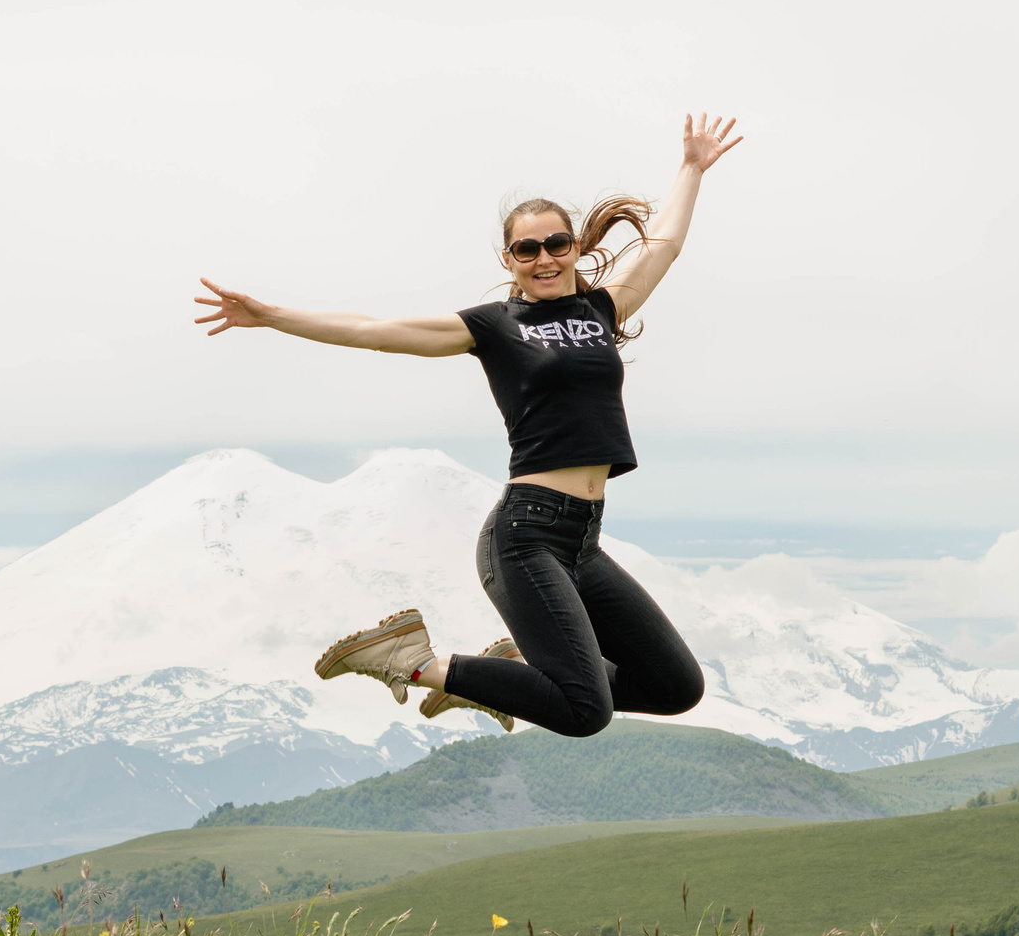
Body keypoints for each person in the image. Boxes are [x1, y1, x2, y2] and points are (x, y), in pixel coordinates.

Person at [193, 114, 742, 737]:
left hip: (582, 542)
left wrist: (691, 169)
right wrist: (271, 315)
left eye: (556, 244)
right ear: (509, 258)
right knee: (584, 711)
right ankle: (415, 659)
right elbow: (373, 331)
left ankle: (510, 671)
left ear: (575, 249)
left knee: (675, 686)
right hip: (526, 536)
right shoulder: (494, 327)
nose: (543, 258)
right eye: (526, 249)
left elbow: (662, 246)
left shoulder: (602, 306)